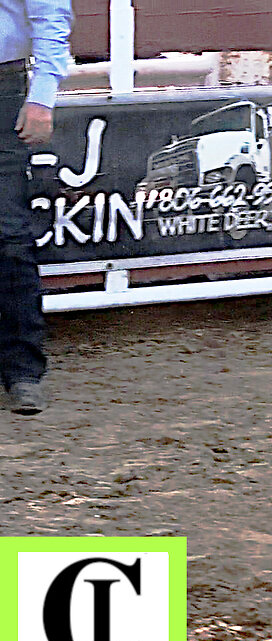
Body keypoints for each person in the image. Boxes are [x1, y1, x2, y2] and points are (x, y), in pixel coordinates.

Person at [1, 0, 72, 415]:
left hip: (3, 85)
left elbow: (51, 13)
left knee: (8, 233)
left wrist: (42, 96)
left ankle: (22, 371)